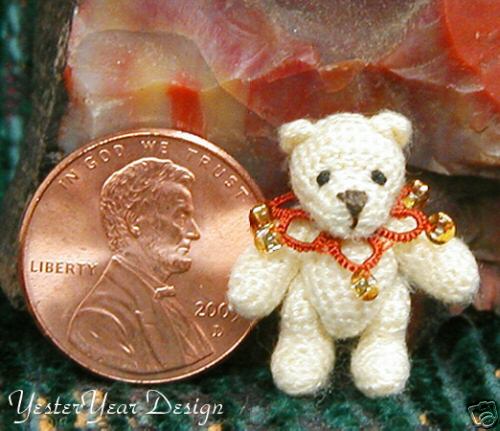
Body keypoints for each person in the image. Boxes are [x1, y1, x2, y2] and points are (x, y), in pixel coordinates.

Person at [68, 157, 213, 373]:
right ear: (135, 222)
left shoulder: (164, 301)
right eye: (180, 217)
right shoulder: (98, 319)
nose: (194, 232)